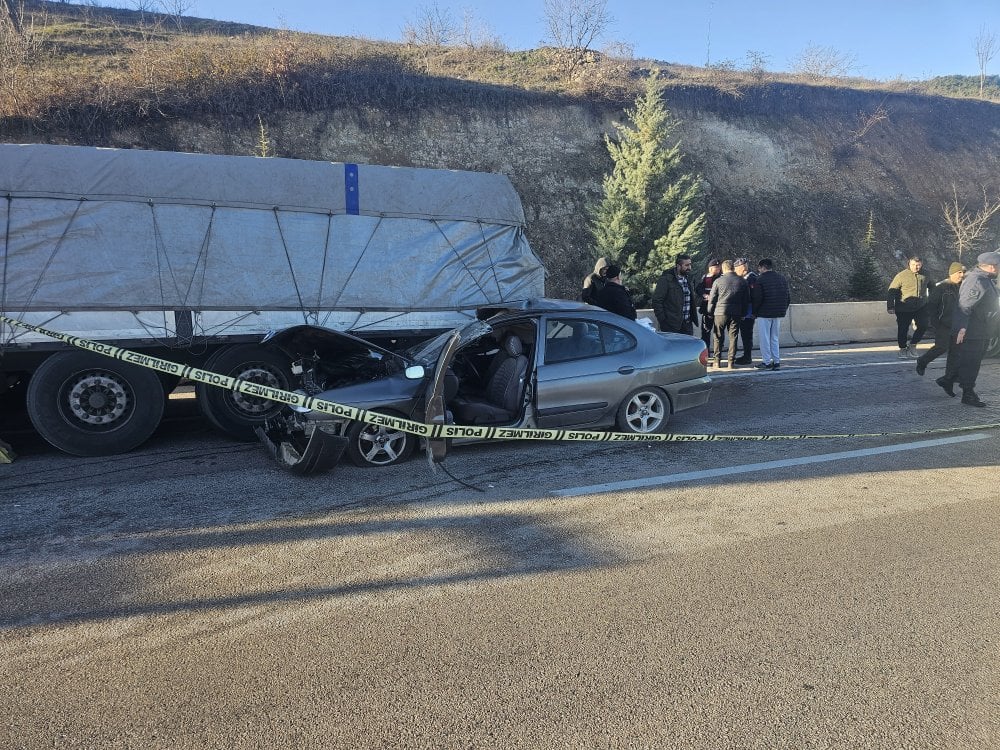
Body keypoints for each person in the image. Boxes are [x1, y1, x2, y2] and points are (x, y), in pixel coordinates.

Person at [935, 251, 1000, 406]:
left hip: (982, 329)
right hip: (973, 330)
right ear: (991, 267)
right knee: (972, 363)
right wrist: (962, 328)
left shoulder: (986, 279)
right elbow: (964, 305)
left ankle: (948, 379)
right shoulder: (976, 280)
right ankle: (968, 394)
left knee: (971, 361)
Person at [914, 262, 964, 377]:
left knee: (956, 352)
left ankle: (950, 378)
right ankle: (922, 361)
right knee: (941, 347)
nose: (961, 275)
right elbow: (931, 306)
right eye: (959, 272)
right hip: (943, 324)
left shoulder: (963, 287)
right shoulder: (941, 288)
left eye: (962, 272)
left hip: (957, 325)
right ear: (952, 273)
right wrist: (935, 323)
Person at [887, 255, 932, 358]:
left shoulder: (926, 274)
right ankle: (902, 348)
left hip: (921, 306)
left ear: (921, 264)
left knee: (924, 325)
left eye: (918, 265)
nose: (916, 267)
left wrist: (932, 301)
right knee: (903, 329)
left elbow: (932, 287)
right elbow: (891, 291)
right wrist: (890, 306)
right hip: (903, 308)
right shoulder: (901, 276)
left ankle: (913, 345)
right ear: (909, 264)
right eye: (913, 265)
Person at [706, 259, 749, 368]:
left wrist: (710, 312)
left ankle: (717, 361)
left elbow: (712, 299)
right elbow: (746, 300)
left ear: (724, 269)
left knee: (718, 336)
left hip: (720, 312)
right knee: (733, 337)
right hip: (736, 313)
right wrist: (743, 313)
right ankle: (731, 362)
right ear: (733, 268)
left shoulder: (718, 281)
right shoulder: (742, 281)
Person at [751, 258, 791, 370]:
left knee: (765, 338)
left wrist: (754, 312)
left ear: (763, 267)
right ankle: (776, 361)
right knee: (774, 338)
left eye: (759, 268)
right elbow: (787, 297)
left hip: (764, 313)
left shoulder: (760, 279)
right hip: (778, 313)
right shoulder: (782, 278)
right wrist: (783, 309)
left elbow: (757, 298)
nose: (758, 270)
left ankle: (766, 362)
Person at [651, 254, 698, 335]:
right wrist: (663, 321)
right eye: (686, 265)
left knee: (688, 347)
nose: (689, 267)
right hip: (671, 326)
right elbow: (656, 301)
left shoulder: (689, 279)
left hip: (687, 324)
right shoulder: (666, 279)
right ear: (678, 266)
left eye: (690, 264)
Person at [733, 257, 758, 364]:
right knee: (743, 335)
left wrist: (754, 312)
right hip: (742, 311)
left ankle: (747, 356)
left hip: (748, 313)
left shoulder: (751, 278)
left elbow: (754, 297)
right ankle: (745, 355)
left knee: (746, 335)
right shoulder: (744, 278)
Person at [695, 259, 722, 349]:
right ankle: (706, 353)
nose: (718, 269)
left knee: (718, 333)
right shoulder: (705, 278)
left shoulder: (721, 278)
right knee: (706, 331)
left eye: (719, 267)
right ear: (710, 269)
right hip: (707, 309)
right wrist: (704, 295)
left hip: (719, 309)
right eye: (716, 267)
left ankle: (717, 353)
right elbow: (698, 288)